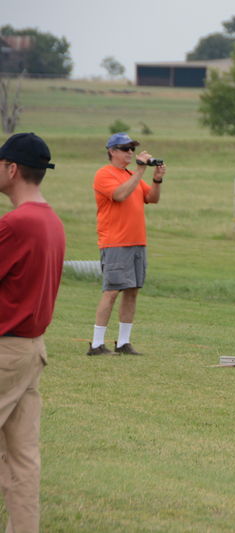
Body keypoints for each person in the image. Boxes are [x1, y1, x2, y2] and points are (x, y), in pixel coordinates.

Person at [0, 132, 65, 532]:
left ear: (11, 169)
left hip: (6, 350)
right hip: (31, 350)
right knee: (22, 457)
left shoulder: (15, 223)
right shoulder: (51, 221)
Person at [87, 133, 165, 356]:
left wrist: (157, 179)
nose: (130, 152)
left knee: (132, 291)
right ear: (112, 151)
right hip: (115, 242)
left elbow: (152, 198)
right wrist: (141, 170)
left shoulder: (131, 174)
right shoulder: (104, 174)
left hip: (137, 241)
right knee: (111, 291)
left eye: (132, 148)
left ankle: (123, 342)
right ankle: (96, 344)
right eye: (125, 148)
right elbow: (119, 195)